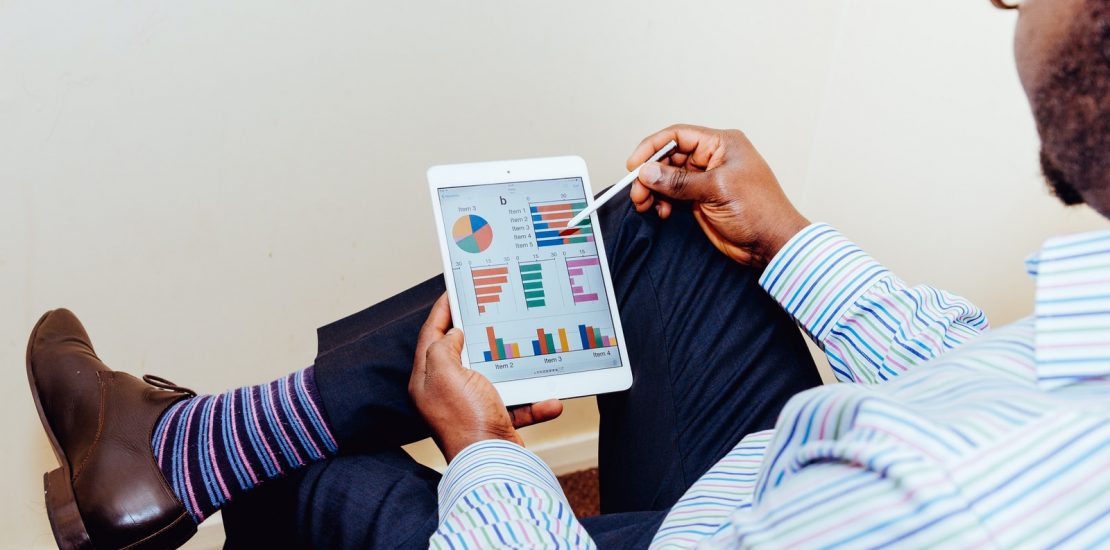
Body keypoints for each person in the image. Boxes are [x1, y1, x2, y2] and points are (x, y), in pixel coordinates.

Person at [25, 0, 1109, 547]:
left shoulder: (953, 503)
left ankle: (188, 451)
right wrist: (789, 236)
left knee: (313, 484)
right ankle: (166, 451)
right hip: (773, 498)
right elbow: (979, 375)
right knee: (665, 224)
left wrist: (488, 451)